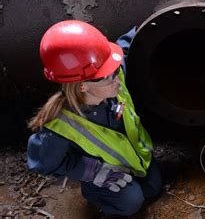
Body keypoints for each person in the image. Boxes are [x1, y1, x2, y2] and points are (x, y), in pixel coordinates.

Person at [27, 20, 163, 216]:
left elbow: (125, 46)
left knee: (152, 188)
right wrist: (90, 171)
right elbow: (42, 163)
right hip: (106, 172)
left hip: (136, 158)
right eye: (108, 76)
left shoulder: (112, 78)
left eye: (114, 70)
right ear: (83, 86)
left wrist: (150, 23)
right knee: (131, 203)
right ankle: (94, 193)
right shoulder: (60, 126)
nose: (117, 78)